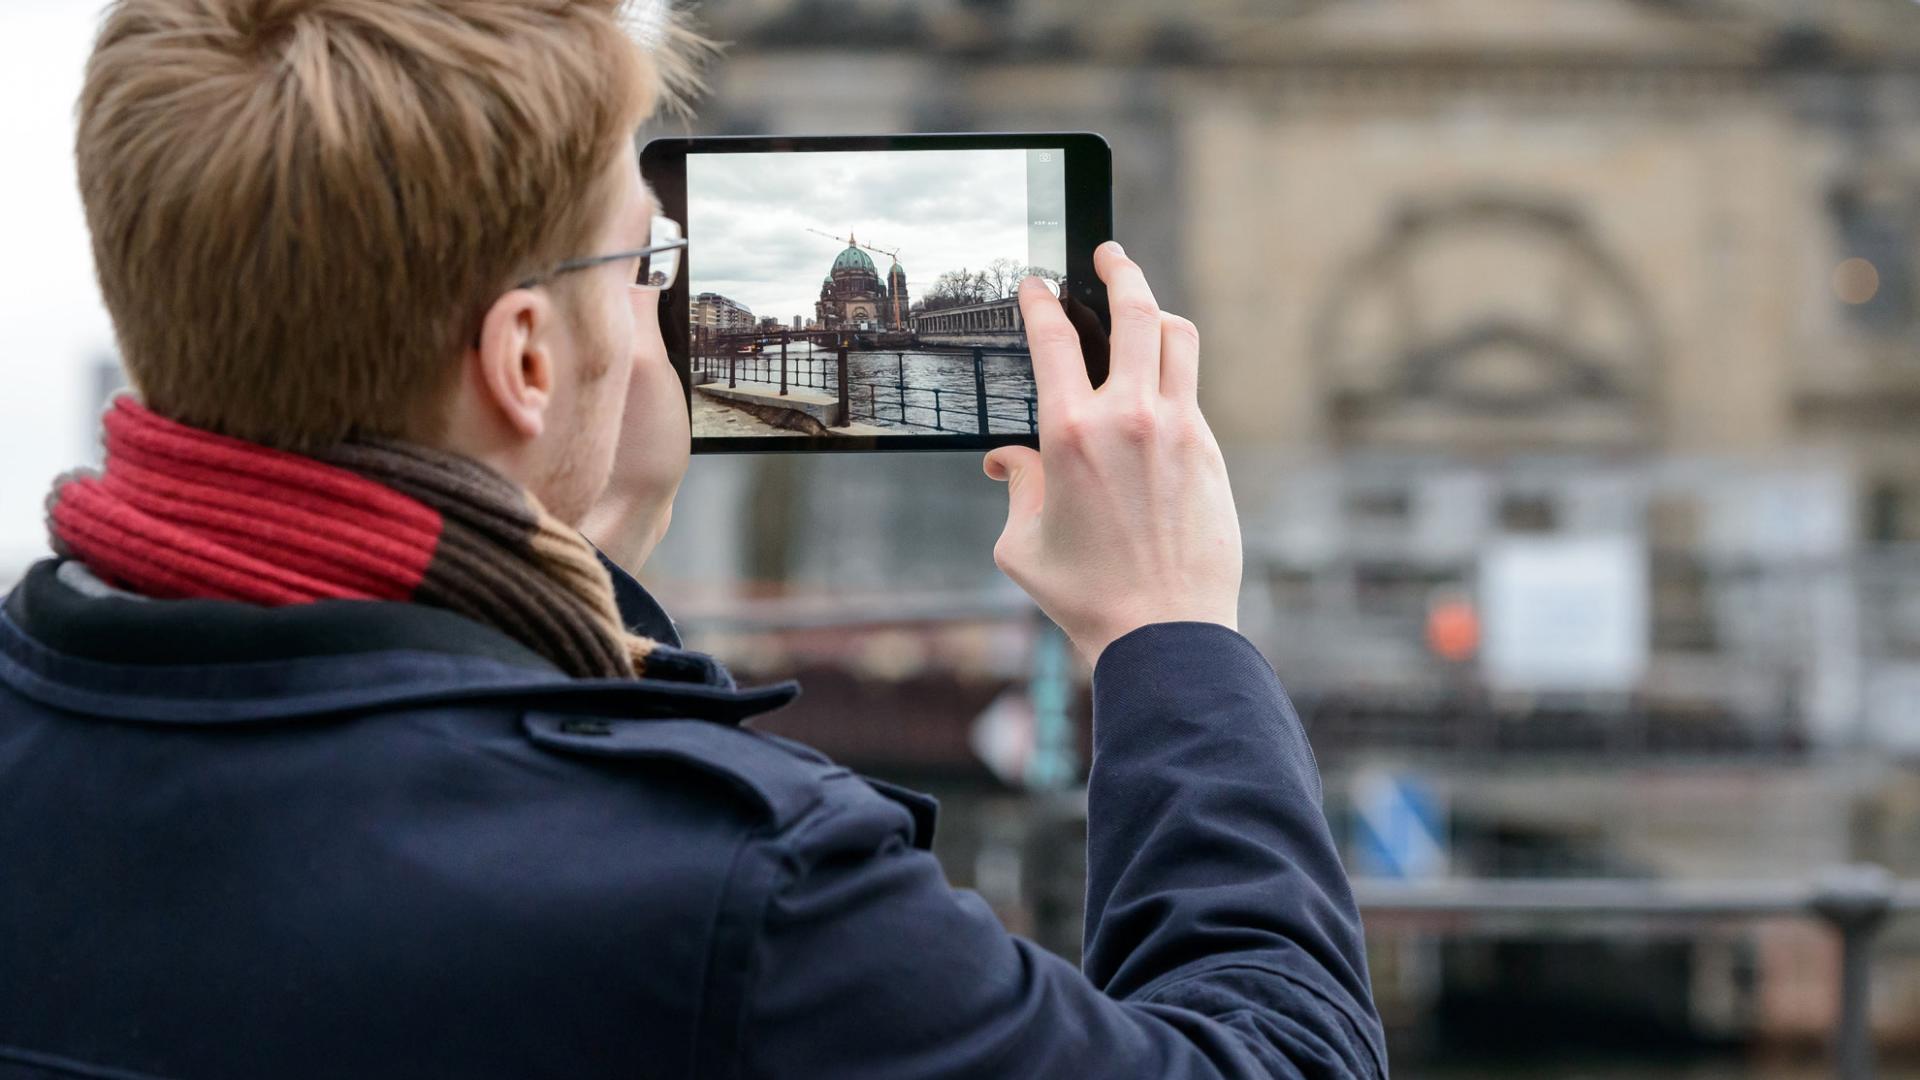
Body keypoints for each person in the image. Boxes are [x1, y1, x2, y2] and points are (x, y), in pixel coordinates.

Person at [0, 1, 1386, 1078]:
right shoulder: (741, 898)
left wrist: (567, 563)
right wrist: (1171, 632)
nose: (664, 316)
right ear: (527, 357)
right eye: (644, 262)